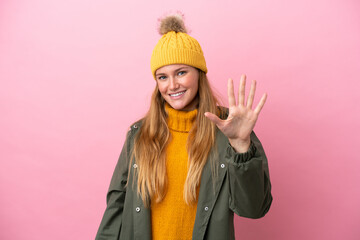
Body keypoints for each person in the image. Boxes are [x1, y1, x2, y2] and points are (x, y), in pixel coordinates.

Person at [95, 13, 272, 240]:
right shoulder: (138, 135)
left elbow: (254, 208)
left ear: (199, 73)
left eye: (181, 72)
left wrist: (241, 147)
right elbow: (116, 209)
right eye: (162, 77)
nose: (172, 85)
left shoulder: (227, 130)